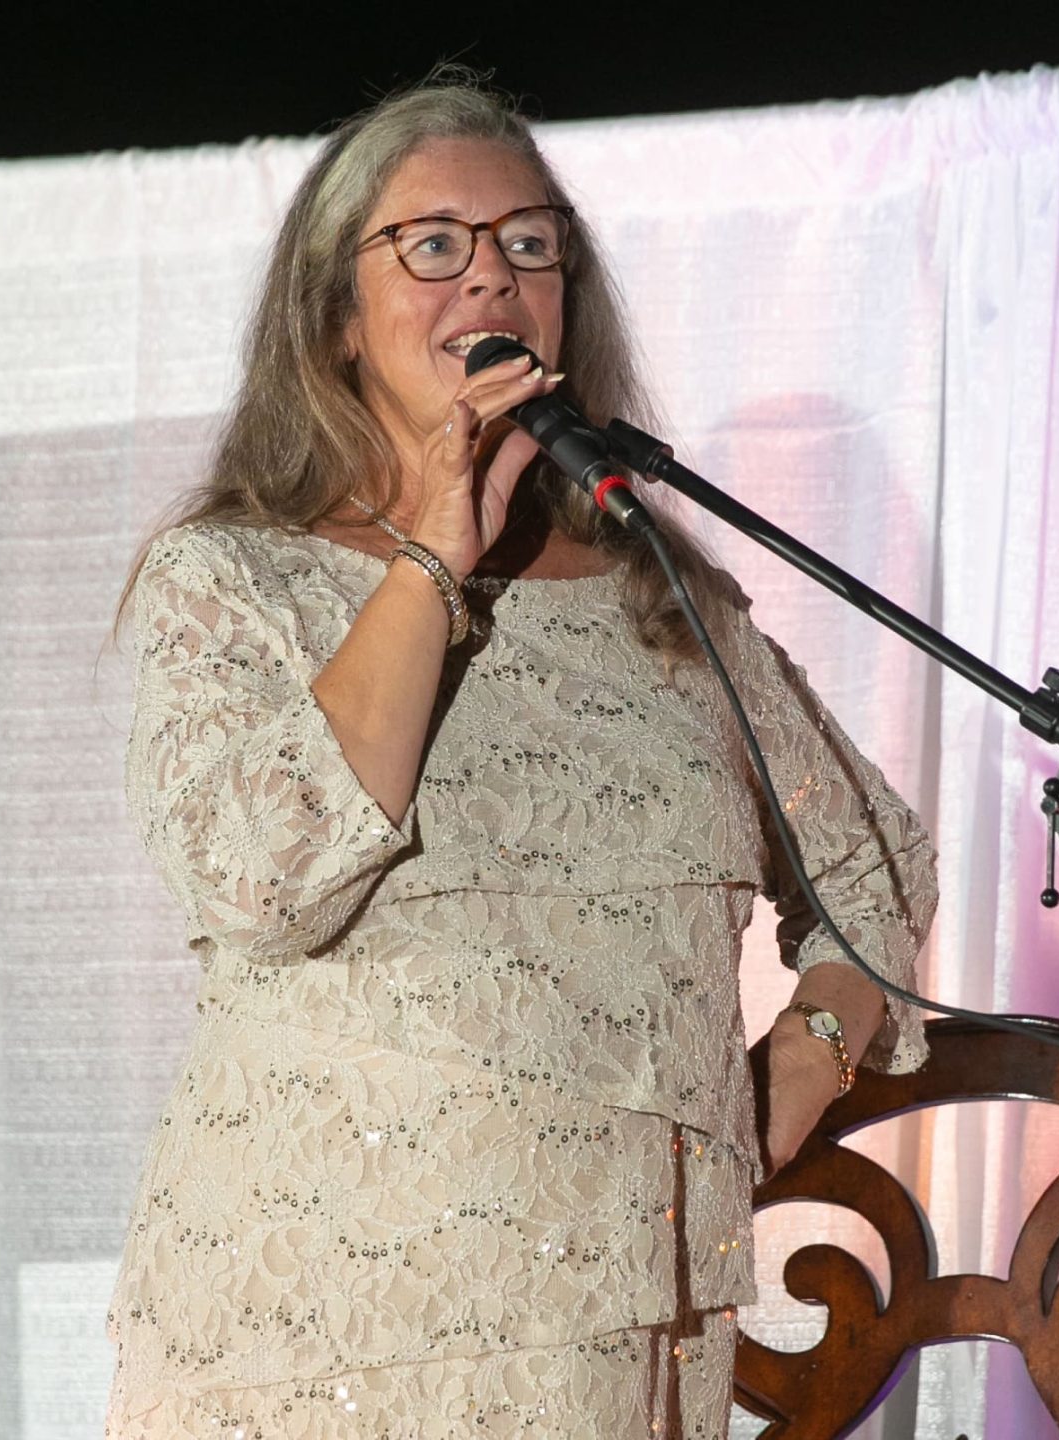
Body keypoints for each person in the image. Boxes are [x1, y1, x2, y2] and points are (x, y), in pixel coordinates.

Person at [104, 71, 937, 1439]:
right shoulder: (235, 581)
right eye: (434, 244)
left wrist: (809, 1057)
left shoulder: (661, 598)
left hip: (623, 1323)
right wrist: (437, 543)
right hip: (315, 1332)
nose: (490, 276)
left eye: (529, 244)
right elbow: (261, 883)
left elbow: (872, 865)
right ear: (337, 315)